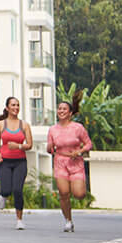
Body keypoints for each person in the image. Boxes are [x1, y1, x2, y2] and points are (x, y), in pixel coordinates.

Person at [47, 91, 92, 232]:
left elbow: (88, 144)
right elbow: (50, 149)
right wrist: (49, 147)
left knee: (79, 194)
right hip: (60, 161)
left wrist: (79, 151)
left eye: (64, 109)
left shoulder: (78, 128)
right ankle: (68, 220)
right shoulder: (52, 129)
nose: (61, 111)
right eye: (59, 109)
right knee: (64, 192)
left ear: (70, 113)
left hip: (76, 162)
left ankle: (79, 189)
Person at [0, 97, 33, 229]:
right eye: (13, 105)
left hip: (20, 161)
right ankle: (3, 195)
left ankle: (19, 220)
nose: (16, 107)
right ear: (7, 107)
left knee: (17, 190)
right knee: (6, 189)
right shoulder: (1, 125)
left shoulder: (24, 125)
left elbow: (30, 145)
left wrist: (19, 146)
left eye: (18, 105)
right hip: (5, 161)